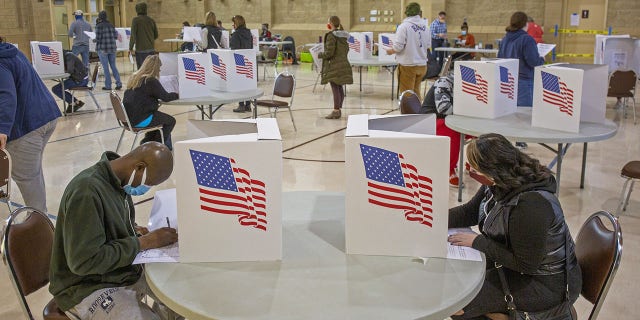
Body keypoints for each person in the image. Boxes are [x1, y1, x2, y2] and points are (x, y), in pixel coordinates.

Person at [448, 133, 581, 319]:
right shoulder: (501, 181)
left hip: (547, 284)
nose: (470, 171)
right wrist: (434, 219)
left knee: (458, 305)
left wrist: (478, 242)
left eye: (474, 168)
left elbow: (525, 265)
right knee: (458, 282)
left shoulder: (530, 206)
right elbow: (469, 211)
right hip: (517, 267)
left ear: (492, 170)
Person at [49, 142, 179, 319]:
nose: (145, 188)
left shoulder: (119, 182)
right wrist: (145, 242)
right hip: (85, 286)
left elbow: (108, 225)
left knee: (177, 296)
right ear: (139, 167)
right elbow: (84, 262)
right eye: (149, 183)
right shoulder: (87, 191)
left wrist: (134, 231)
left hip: (119, 271)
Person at [0, 38, 61, 213]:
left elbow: (6, 95)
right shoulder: (12, 51)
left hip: (26, 126)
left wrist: (2, 128)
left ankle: (39, 229)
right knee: (33, 174)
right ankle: (38, 220)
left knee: (27, 178)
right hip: (46, 116)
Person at [123, 55, 179, 150]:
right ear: (155, 68)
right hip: (140, 119)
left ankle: (147, 142)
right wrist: (178, 94)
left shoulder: (135, 77)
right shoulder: (150, 81)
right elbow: (166, 97)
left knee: (158, 118)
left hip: (128, 118)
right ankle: (155, 147)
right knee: (170, 121)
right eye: (159, 68)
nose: (160, 71)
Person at [420, 72, 463, 187]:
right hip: (430, 119)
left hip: (446, 118)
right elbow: (444, 108)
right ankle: (448, 170)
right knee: (455, 131)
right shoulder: (444, 82)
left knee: (476, 130)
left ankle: (474, 162)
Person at [498, 11, 544, 107]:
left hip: (507, 81)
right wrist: (542, 59)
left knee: (511, 114)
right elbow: (534, 62)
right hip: (524, 82)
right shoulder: (527, 39)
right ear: (526, 24)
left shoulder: (504, 39)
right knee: (524, 116)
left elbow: (499, 59)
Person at [386, 2, 430, 100]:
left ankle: (409, 114)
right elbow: (428, 45)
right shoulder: (426, 27)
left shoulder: (404, 26)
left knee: (407, 94)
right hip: (422, 65)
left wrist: (391, 51)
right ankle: (418, 113)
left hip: (408, 65)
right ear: (420, 13)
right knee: (416, 90)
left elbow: (398, 47)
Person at [318, 16, 353, 119]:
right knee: (339, 86)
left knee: (335, 87)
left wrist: (319, 55)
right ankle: (338, 109)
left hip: (334, 65)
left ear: (331, 24)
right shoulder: (343, 36)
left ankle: (336, 110)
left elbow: (329, 52)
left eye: (328, 22)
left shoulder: (331, 36)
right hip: (343, 63)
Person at [230, 15, 254, 113]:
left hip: (239, 61)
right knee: (247, 84)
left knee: (239, 84)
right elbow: (251, 47)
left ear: (237, 23)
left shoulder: (236, 34)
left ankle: (241, 105)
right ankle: (248, 105)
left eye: (234, 23)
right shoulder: (249, 33)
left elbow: (234, 49)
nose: (233, 25)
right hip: (248, 60)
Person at [94, 10, 122, 91]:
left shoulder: (99, 26)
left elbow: (98, 38)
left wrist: (93, 40)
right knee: (113, 66)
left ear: (99, 17)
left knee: (106, 68)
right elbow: (116, 37)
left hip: (103, 49)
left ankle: (108, 85)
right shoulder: (111, 25)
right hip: (112, 48)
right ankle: (119, 83)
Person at [130, 2, 158, 69]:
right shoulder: (151, 20)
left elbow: (133, 36)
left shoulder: (135, 20)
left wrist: (130, 47)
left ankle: (142, 80)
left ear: (137, 10)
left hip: (140, 50)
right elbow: (156, 35)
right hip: (151, 49)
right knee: (150, 69)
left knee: (141, 69)